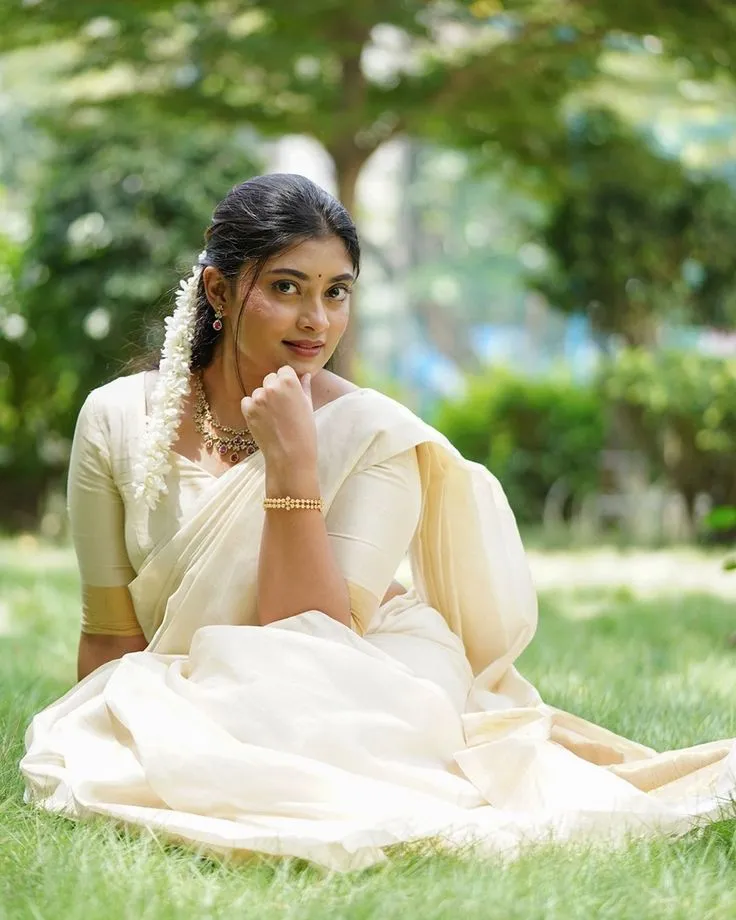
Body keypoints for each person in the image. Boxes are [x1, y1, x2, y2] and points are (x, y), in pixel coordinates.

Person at [21, 174, 735, 872]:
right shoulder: (117, 417)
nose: (317, 320)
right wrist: (115, 733)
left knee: (293, 736)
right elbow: (112, 634)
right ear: (219, 291)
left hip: (362, 673)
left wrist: (293, 465)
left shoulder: (372, 434)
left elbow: (307, 639)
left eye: (337, 293)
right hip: (211, 683)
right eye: (286, 287)